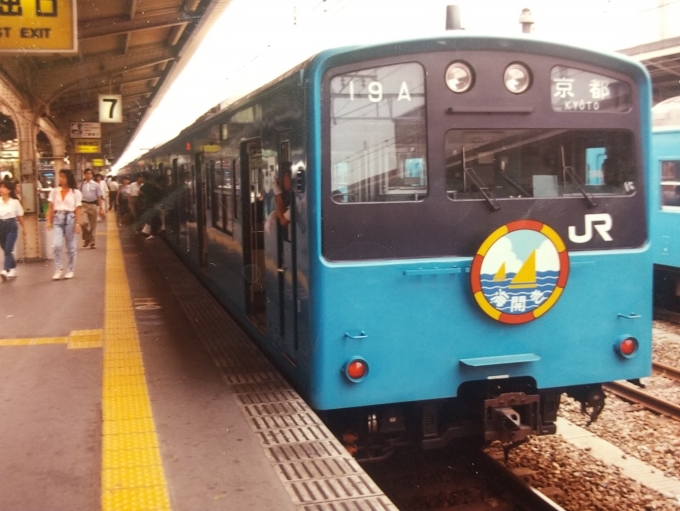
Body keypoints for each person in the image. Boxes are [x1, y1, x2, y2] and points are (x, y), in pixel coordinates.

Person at [47, 169, 82, 280]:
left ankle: (70, 269)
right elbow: (51, 208)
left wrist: (77, 224)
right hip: (58, 218)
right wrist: (49, 221)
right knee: (56, 245)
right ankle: (58, 269)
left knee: (71, 246)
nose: (61, 179)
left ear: (69, 179)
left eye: (64, 177)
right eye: (60, 177)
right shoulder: (54, 191)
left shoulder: (76, 193)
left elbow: (77, 209)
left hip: (70, 218)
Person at [0, 180, 24, 281]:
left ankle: (6, 269)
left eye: (4, 187)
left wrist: (24, 228)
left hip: (11, 225)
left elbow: (20, 216)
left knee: (8, 248)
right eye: (1, 187)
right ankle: (13, 267)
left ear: (9, 190)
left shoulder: (15, 202)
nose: (1, 189)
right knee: (5, 248)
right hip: (0, 225)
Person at [79, 168, 104, 248]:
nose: (88, 175)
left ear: (92, 175)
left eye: (90, 173)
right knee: (83, 223)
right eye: (87, 173)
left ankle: (92, 242)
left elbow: (99, 196)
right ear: (85, 174)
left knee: (93, 225)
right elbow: (78, 196)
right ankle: (87, 238)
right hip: (83, 205)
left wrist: (101, 208)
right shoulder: (81, 185)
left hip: (93, 205)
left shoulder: (96, 185)